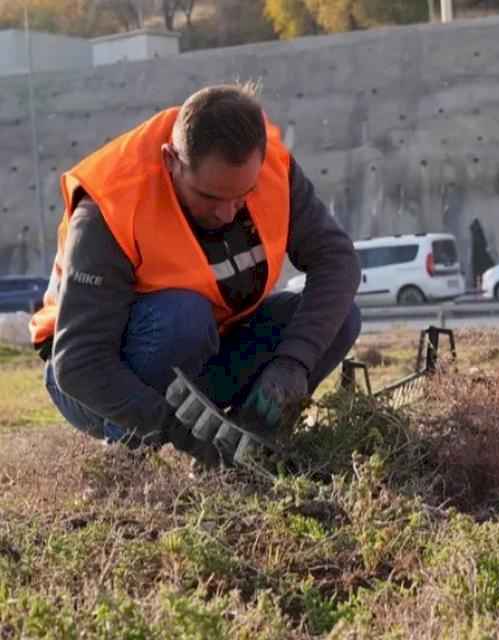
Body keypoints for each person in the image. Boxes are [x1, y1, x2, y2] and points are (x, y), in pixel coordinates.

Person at [29, 83, 362, 464]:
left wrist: (294, 362)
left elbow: (337, 261)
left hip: (208, 353)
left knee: (340, 318)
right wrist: (179, 430)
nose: (227, 213)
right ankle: (131, 453)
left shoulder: (273, 168)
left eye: (242, 195)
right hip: (97, 383)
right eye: (209, 197)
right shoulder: (111, 206)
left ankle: (246, 453)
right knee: (183, 318)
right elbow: (79, 364)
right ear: (171, 161)